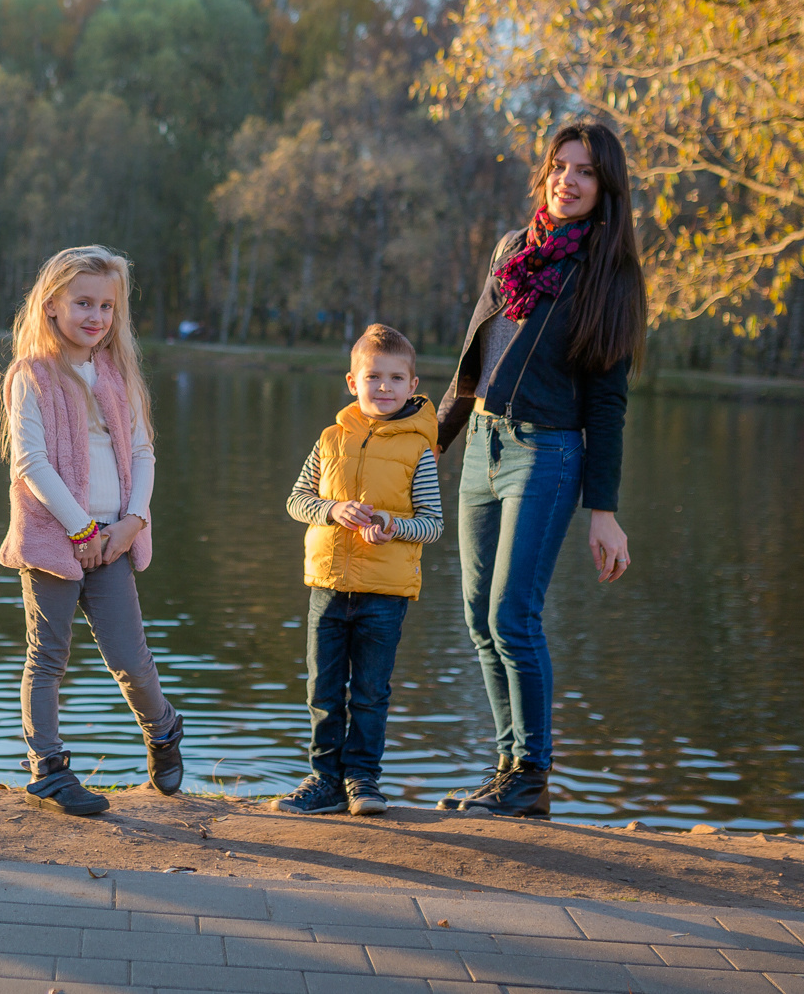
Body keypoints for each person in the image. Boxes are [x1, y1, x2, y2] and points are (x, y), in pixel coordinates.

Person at [433, 120, 647, 819]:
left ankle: (532, 775)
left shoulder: (608, 277)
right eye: (561, 165)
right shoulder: (512, 251)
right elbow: (474, 362)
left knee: (511, 614)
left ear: (605, 187)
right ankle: (506, 770)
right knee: (476, 616)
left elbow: (608, 404)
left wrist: (604, 510)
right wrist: (429, 441)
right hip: (484, 447)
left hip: (547, 453)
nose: (569, 180)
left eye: (585, 171)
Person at [0, 245, 182, 816]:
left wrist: (133, 521)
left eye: (106, 307)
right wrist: (81, 527)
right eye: (82, 303)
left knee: (131, 660)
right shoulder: (32, 375)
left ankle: (164, 730)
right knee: (47, 655)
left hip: (115, 537)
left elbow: (142, 451)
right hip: (55, 537)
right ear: (51, 305)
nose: (95, 316)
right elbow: (30, 462)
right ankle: (48, 768)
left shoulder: (118, 376)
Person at [275, 324, 443, 817]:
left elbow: (432, 525)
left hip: (384, 593)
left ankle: (363, 781)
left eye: (396, 378)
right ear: (353, 382)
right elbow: (296, 501)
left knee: (370, 692)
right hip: (327, 586)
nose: (384, 387)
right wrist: (332, 510)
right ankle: (324, 779)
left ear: (413, 386)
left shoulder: (419, 450)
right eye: (374, 377)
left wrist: (392, 524)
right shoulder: (329, 440)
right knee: (323, 689)